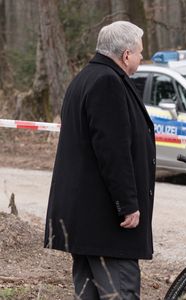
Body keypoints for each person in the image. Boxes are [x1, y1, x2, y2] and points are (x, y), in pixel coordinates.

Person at [44, 21, 155, 299]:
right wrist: (127, 204)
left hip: (86, 223)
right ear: (126, 54)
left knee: (89, 293)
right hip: (106, 224)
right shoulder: (107, 82)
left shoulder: (84, 78)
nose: (142, 58)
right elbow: (112, 150)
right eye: (140, 52)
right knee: (121, 291)